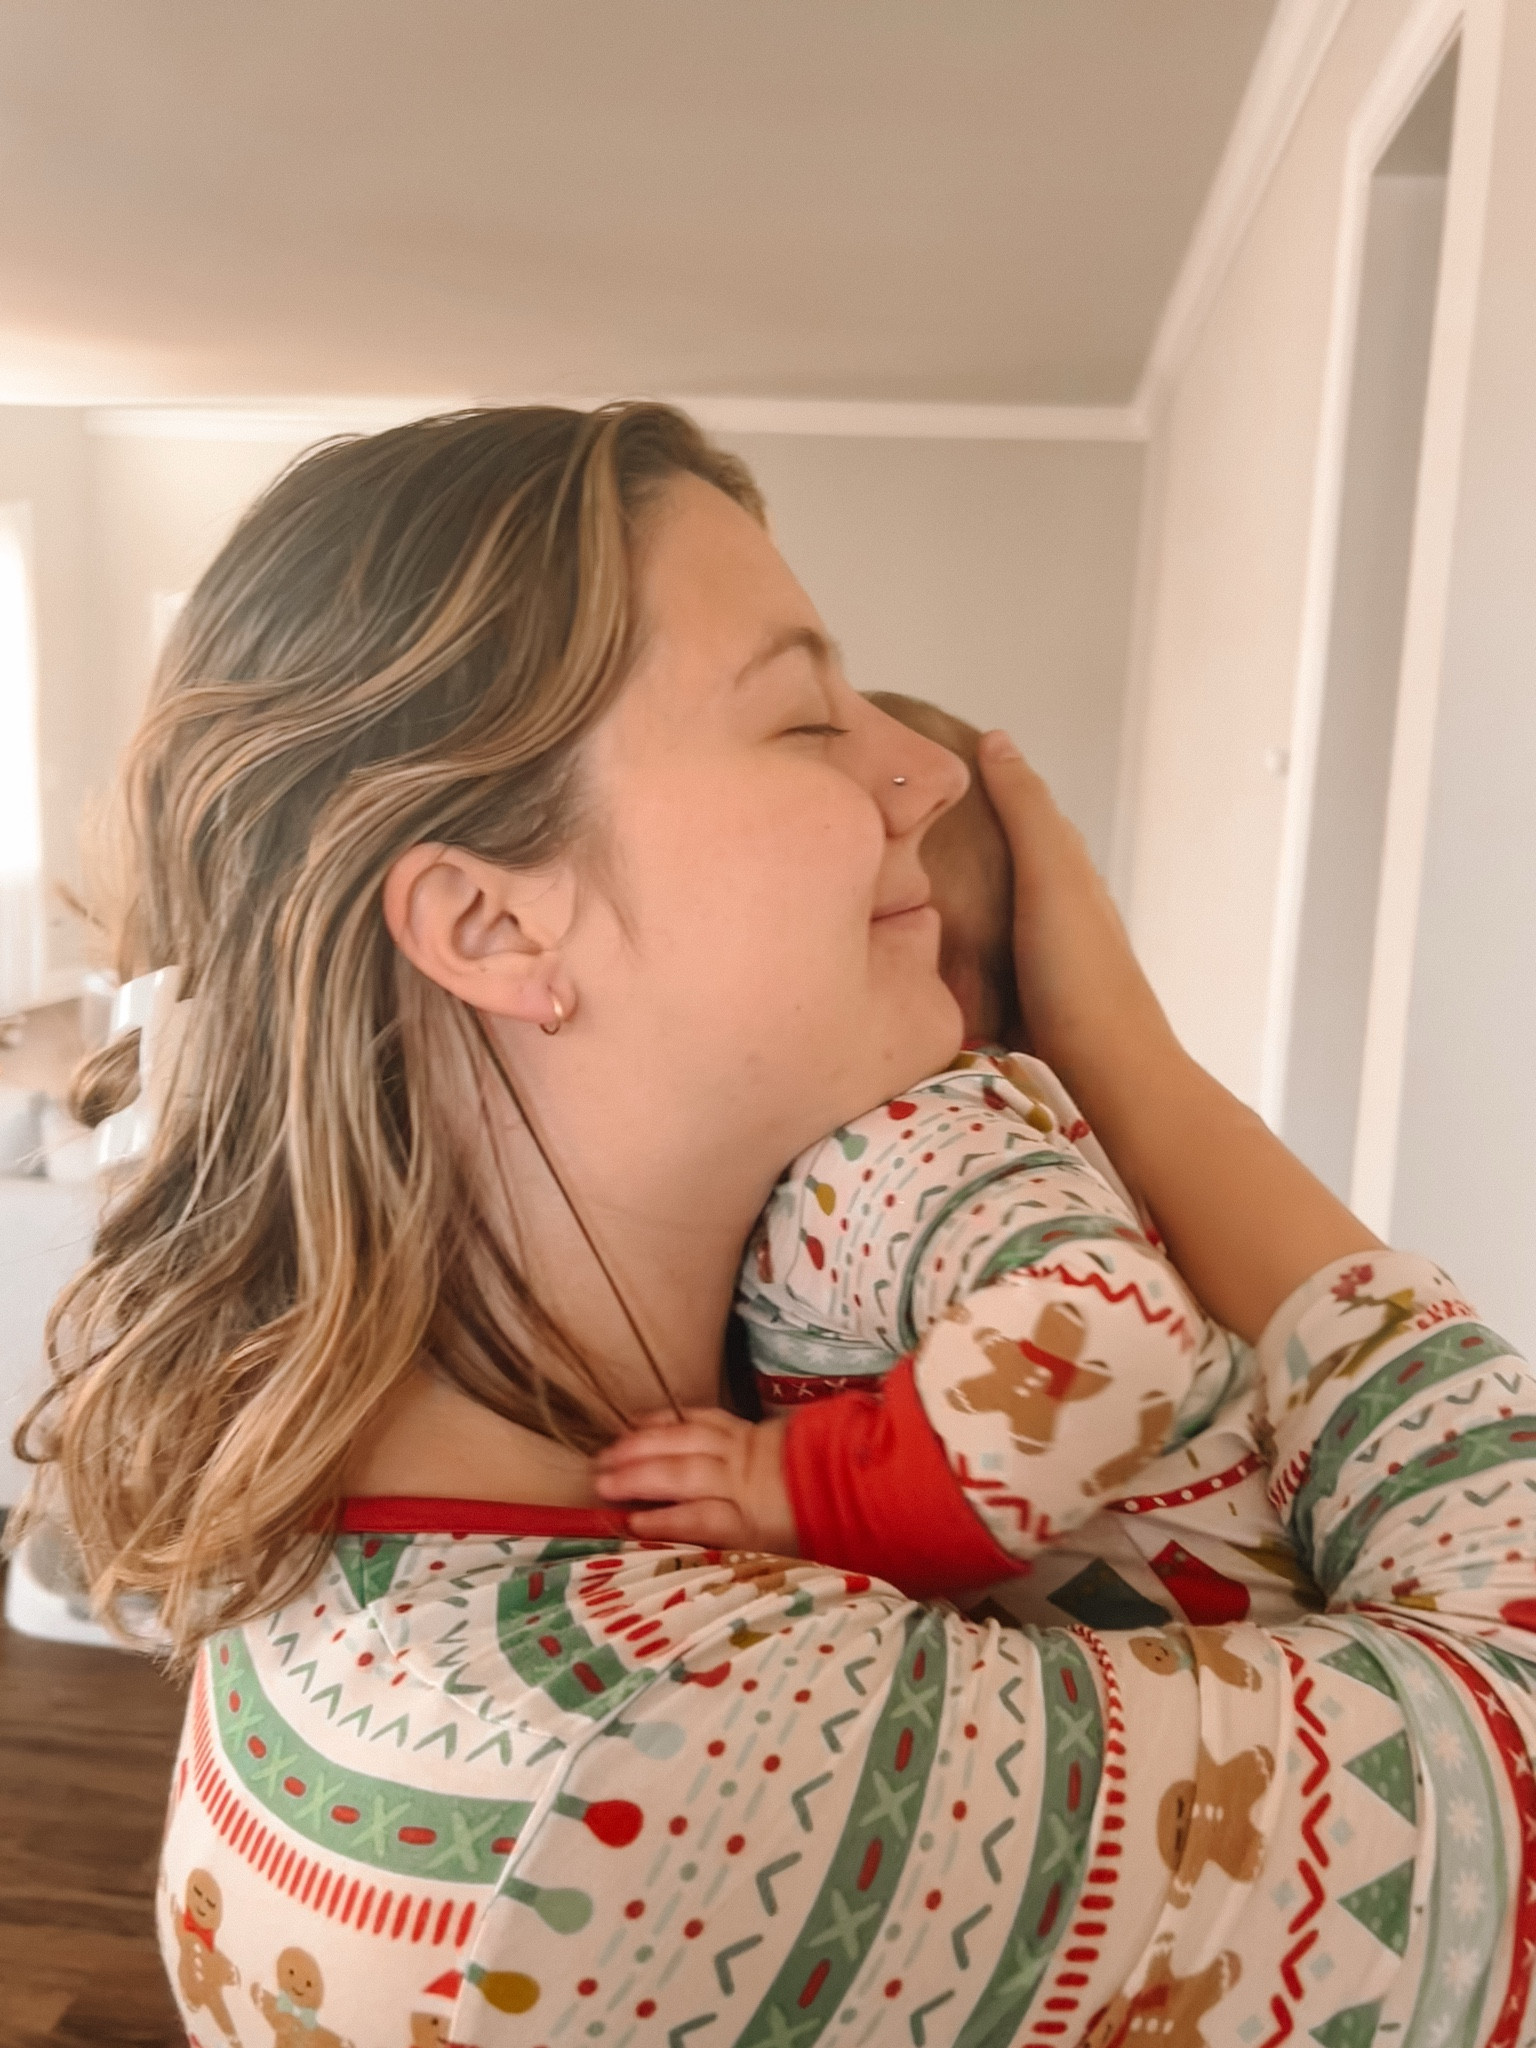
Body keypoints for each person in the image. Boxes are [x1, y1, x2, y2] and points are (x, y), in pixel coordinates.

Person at [15, 406, 1534, 2048]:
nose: (928, 768)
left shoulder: (379, 1543)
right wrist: (1144, 1075)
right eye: (806, 715)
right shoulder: (657, 1758)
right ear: (492, 919)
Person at [597, 694, 1314, 1633]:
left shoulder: (895, 1139)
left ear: (932, 980)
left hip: (1261, 1644)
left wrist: (803, 1489)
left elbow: (1113, 1331)